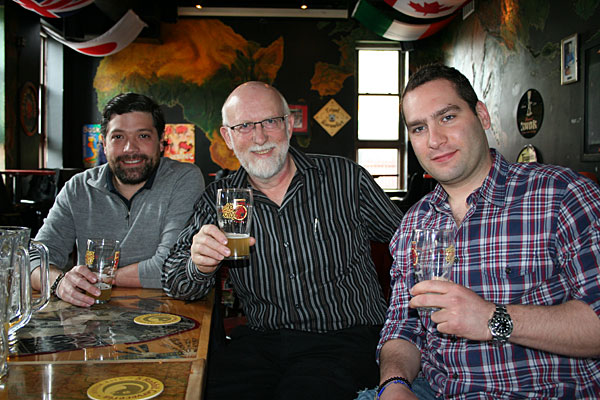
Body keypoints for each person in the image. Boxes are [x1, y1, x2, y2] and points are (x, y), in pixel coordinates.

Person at [358, 64, 600, 400]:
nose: (434, 140)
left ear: (482, 115)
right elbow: (404, 326)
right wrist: (394, 384)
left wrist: (492, 318)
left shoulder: (562, 194)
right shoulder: (414, 223)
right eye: (418, 128)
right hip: (435, 390)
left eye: (447, 117)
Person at [163, 81, 403, 400]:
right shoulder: (219, 201)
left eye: (270, 122)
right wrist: (198, 265)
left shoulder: (345, 179)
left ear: (289, 124)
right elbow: (174, 280)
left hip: (346, 339)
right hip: (263, 342)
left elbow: (411, 241)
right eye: (245, 126)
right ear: (228, 137)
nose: (259, 137)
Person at [31, 92, 205, 307]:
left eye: (143, 136)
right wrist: (59, 282)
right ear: (103, 144)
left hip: (168, 314)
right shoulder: (78, 187)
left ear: (161, 142)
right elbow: (35, 258)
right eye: (118, 137)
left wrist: (94, 279)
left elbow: (171, 267)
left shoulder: (183, 179)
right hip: (90, 319)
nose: (129, 149)